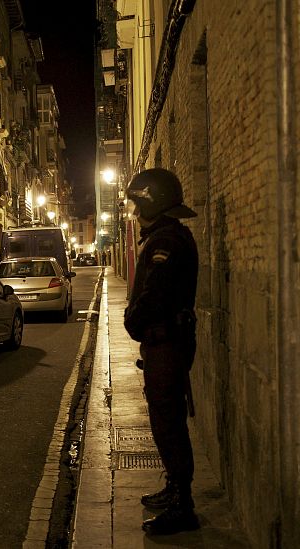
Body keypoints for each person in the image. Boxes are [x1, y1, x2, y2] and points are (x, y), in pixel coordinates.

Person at [123, 168, 200, 535]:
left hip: (167, 342)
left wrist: (132, 320)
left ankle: (183, 505)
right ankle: (175, 488)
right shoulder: (167, 237)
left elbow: (156, 295)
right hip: (164, 343)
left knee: (168, 421)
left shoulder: (167, 241)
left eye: (139, 206)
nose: (136, 214)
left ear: (154, 202)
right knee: (165, 419)